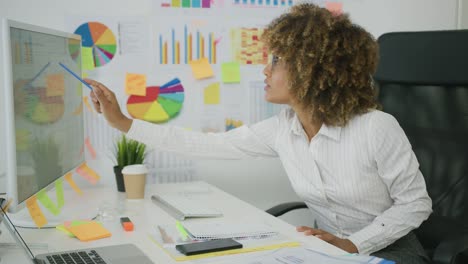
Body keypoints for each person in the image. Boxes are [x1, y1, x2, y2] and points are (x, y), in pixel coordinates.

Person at [86, 3, 432, 263]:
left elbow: (415, 204)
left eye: (277, 60)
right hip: (323, 250)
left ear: (312, 68)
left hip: (390, 251)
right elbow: (205, 144)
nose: (265, 69)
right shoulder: (283, 128)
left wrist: (353, 245)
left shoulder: (375, 127)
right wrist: (123, 122)